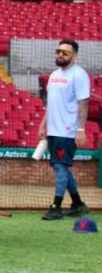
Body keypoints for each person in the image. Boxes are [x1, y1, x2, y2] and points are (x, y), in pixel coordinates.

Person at [38, 39, 91, 220]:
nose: (60, 55)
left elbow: (83, 103)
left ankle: (56, 207)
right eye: (58, 51)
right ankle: (78, 204)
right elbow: (51, 104)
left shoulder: (79, 75)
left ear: (74, 55)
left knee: (61, 167)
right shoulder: (54, 75)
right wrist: (43, 123)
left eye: (65, 52)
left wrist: (81, 129)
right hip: (54, 130)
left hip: (67, 131)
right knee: (62, 168)